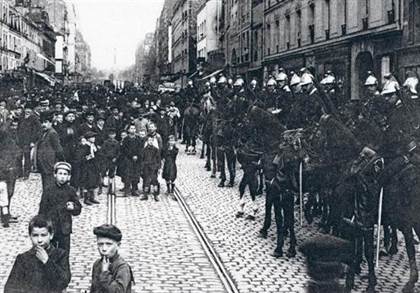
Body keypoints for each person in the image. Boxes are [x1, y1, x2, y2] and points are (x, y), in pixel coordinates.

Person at [4, 215, 71, 293]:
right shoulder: (23, 258)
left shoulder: (60, 255)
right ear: (30, 236)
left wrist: (47, 261)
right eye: (35, 235)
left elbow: (63, 282)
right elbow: (10, 288)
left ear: (51, 235)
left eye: (43, 235)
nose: (39, 240)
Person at [39, 162, 82, 254]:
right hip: (51, 227)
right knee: (50, 253)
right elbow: (42, 209)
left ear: (69, 177)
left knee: (64, 253)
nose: (62, 177)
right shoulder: (48, 190)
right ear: (55, 175)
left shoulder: (71, 190)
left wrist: (73, 207)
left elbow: (78, 209)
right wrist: (42, 226)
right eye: (60, 173)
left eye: (65, 174)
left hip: (64, 228)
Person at [90, 224, 134, 293]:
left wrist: (105, 273)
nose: (104, 249)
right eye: (100, 244)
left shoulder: (122, 267)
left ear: (118, 245)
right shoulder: (97, 264)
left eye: (108, 244)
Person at [36, 111, 65, 191]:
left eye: (45, 122)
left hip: (49, 164)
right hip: (43, 164)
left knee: (50, 185)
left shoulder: (52, 133)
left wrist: (61, 162)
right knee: (45, 185)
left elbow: (58, 149)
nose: (43, 125)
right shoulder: (43, 133)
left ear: (50, 123)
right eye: (42, 122)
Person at [120, 124, 142, 197]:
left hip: (136, 160)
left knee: (135, 175)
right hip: (128, 159)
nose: (133, 130)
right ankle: (127, 190)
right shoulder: (126, 139)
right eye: (131, 129)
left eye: (134, 128)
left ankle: (134, 190)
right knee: (127, 175)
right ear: (129, 130)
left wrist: (137, 155)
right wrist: (132, 155)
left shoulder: (138, 138)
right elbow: (124, 149)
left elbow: (140, 148)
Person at [80, 131, 101, 205]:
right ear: (88, 138)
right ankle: (86, 198)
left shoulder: (93, 146)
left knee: (94, 182)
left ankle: (92, 197)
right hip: (87, 167)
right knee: (87, 183)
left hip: (94, 166)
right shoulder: (85, 146)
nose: (94, 138)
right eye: (92, 137)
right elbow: (81, 158)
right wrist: (89, 157)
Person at [98, 128, 120, 195]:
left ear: (115, 135)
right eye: (110, 134)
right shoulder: (105, 142)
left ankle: (110, 188)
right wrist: (104, 157)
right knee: (102, 174)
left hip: (112, 161)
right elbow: (101, 152)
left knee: (111, 175)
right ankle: (100, 188)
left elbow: (118, 152)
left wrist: (116, 158)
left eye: (113, 134)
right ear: (108, 135)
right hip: (105, 160)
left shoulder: (116, 143)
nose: (112, 136)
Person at [141, 134, 161, 201]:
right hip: (146, 167)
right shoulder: (144, 150)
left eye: (152, 140)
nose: (150, 142)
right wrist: (143, 166)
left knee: (154, 181)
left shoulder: (156, 150)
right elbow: (142, 159)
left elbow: (158, 159)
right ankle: (145, 194)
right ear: (147, 141)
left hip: (153, 167)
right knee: (146, 181)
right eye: (149, 140)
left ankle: (155, 195)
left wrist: (158, 167)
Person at [162, 135, 179, 200]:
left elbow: (174, 154)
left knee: (172, 176)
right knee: (166, 176)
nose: (171, 142)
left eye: (173, 141)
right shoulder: (165, 148)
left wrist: (171, 149)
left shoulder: (176, 149)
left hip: (172, 164)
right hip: (167, 164)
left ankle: (172, 189)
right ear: (168, 141)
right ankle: (168, 188)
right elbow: (164, 154)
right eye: (170, 141)